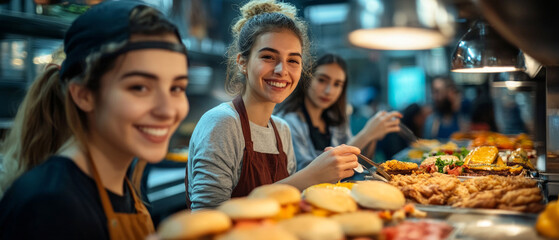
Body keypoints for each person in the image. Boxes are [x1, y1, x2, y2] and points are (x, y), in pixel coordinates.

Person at [0, 1, 189, 239]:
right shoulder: (50, 206)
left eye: (177, 87)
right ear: (83, 95)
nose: (167, 110)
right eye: (139, 87)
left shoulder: (124, 184)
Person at [186, 0, 360, 210]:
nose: (281, 70)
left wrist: (324, 178)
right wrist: (310, 175)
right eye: (268, 57)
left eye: (293, 60)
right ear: (242, 62)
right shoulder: (222, 123)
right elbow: (207, 215)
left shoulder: (281, 129)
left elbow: (286, 204)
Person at [276, 54, 402, 170]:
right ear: (306, 78)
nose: (329, 90)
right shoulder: (288, 122)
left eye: (337, 84)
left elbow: (359, 164)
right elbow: (308, 172)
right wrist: (366, 135)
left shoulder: (335, 119)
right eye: (322, 80)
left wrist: (373, 137)